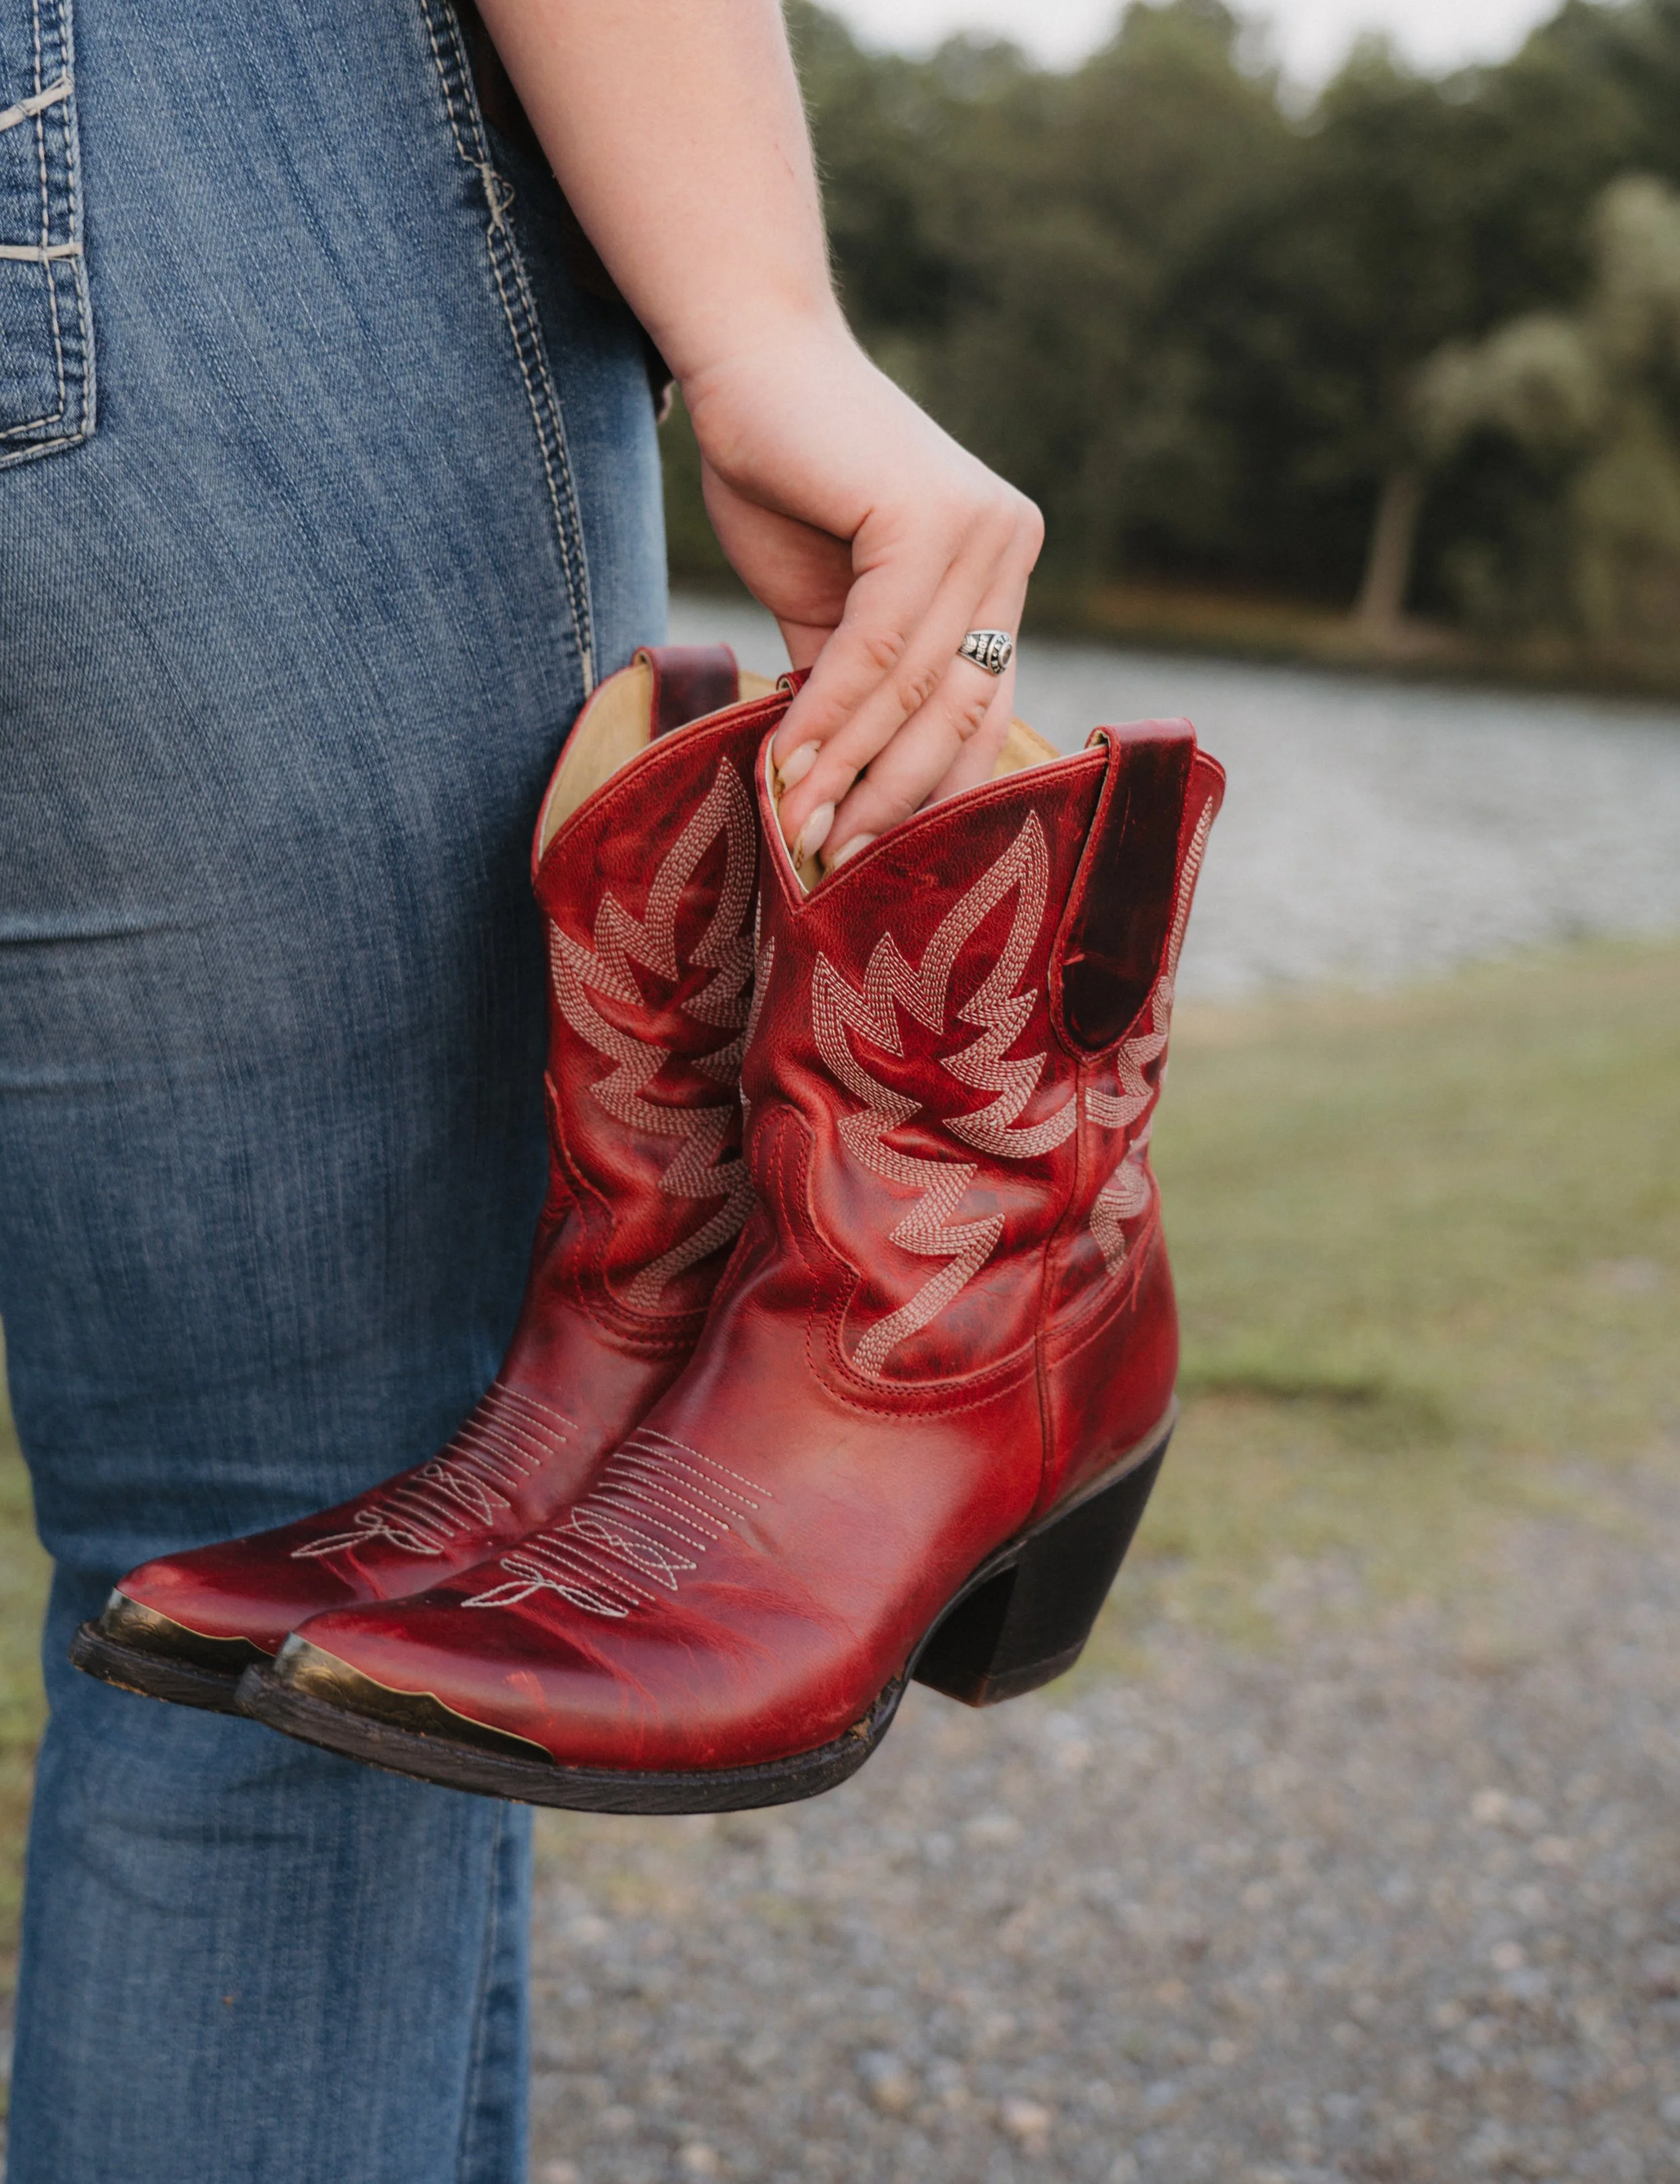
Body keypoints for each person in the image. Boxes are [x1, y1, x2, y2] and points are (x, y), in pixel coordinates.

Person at [0, 1, 1040, 2177]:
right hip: (146, 172)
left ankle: (693, 1373)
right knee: (289, 1583)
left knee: (311, 1610)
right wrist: (755, 317)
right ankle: (1026, 1347)